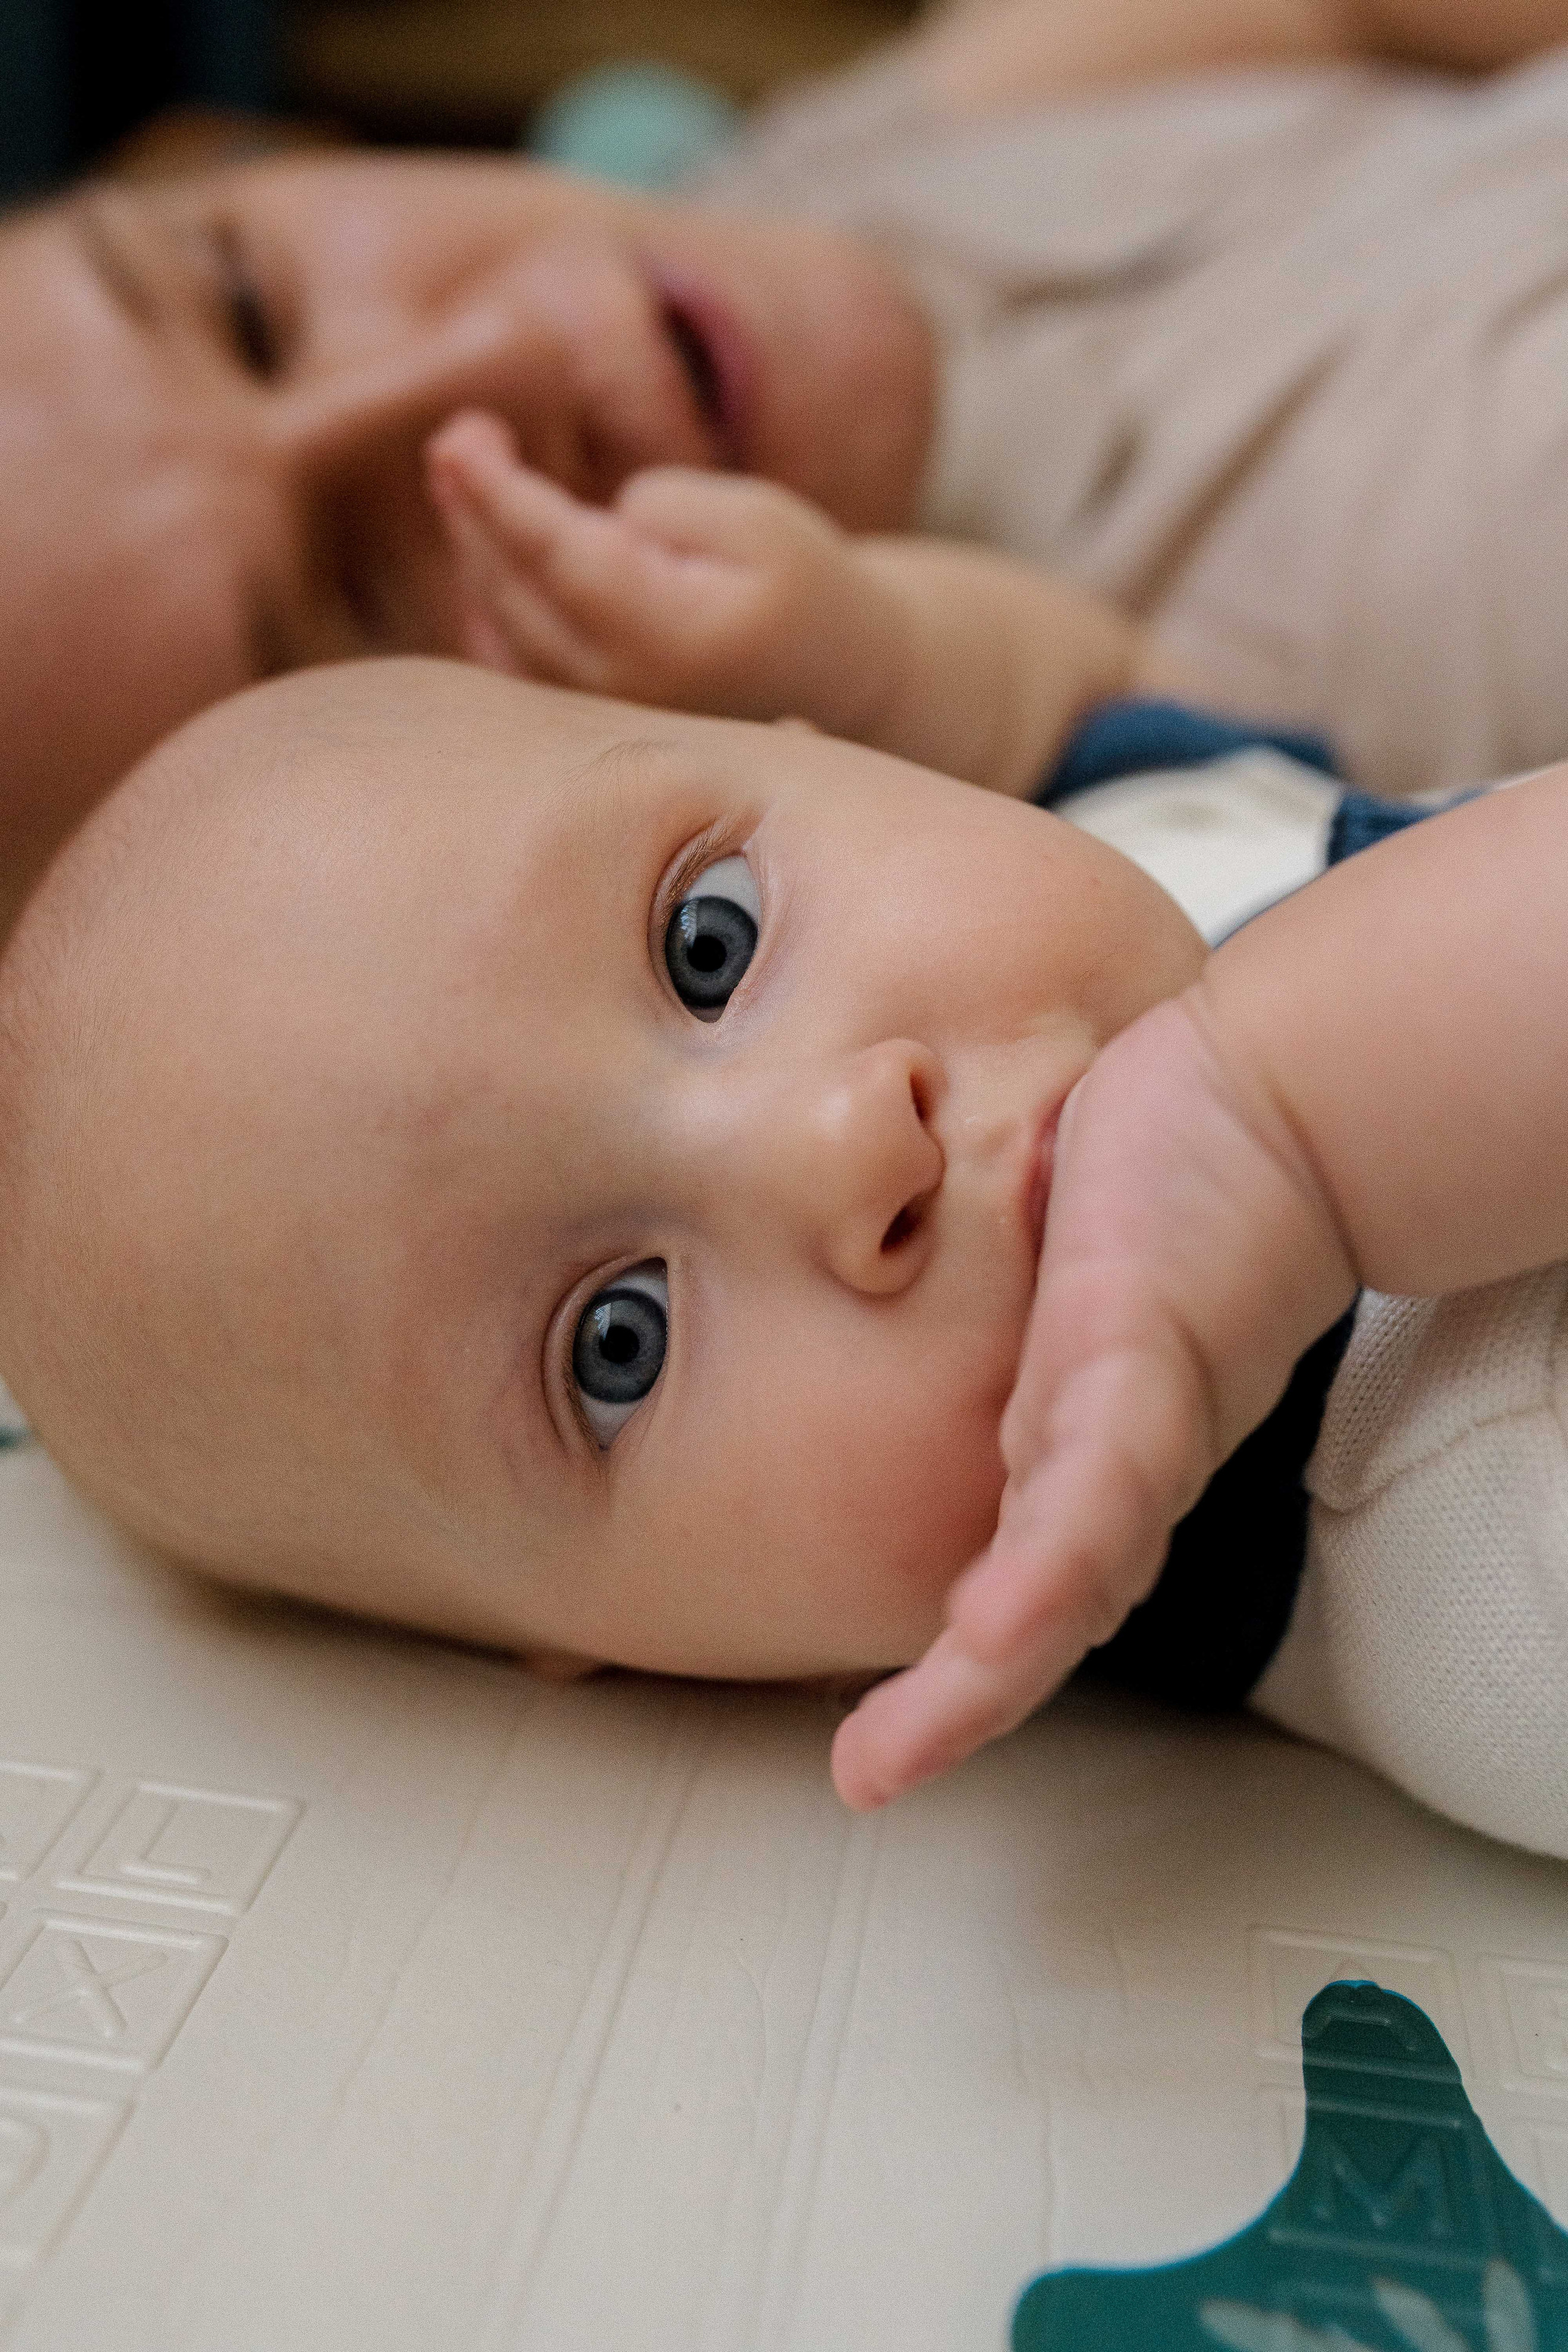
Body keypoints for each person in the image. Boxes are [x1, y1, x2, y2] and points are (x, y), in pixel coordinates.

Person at [1, 462, 1564, 1861]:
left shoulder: (1110, 831)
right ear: (663, 1656)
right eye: (620, 1344)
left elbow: (1135, 680)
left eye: (709, 938)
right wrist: (1283, 1140)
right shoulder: (1470, 1503)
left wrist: (911, 649)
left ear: (803, 746)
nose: (833, 1150)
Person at [10, 0, 1568, 930]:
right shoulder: (1220, 815)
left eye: (244, 300)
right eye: (352, 596)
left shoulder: (804, 184)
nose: (485, 369)